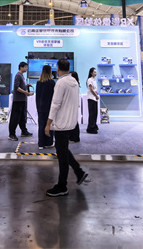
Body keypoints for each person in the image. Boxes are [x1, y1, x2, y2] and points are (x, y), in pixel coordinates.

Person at [45, 59, 90, 197]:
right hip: (70, 123)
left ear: (57, 68)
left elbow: (55, 104)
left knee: (62, 155)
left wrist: (48, 123)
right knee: (63, 150)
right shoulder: (74, 81)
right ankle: (78, 172)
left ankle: (62, 186)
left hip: (61, 124)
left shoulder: (61, 83)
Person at [9, 61, 34, 141]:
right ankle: (11, 134)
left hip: (22, 100)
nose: (26, 69)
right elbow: (16, 87)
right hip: (18, 100)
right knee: (15, 118)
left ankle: (24, 131)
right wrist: (25, 92)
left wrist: (27, 86)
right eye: (25, 67)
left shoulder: (22, 76)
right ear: (21, 67)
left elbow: (21, 87)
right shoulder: (18, 75)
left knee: (22, 117)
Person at [36, 64, 55, 150]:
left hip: (40, 107)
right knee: (49, 124)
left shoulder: (39, 82)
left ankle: (41, 143)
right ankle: (49, 142)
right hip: (49, 107)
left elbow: (37, 96)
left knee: (41, 125)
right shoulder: (52, 83)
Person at [86, 67, 100, 134]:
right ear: (91, 73)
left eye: (96, 72)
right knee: (92, 114)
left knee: (95, 114)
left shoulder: (94, 80)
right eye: (94, 72)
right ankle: (91, 128)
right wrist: (96, 95)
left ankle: (94, 125)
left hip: (94, 99)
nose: (95, 73)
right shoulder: (89, 80)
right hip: (91, 98)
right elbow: (91, 89)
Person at [69, 71, 81, 142]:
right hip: (73, 104)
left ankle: (75, 137)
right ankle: (73, 136)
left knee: (74, 121)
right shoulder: (76, 84)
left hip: (73, 104)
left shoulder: (74, 84)